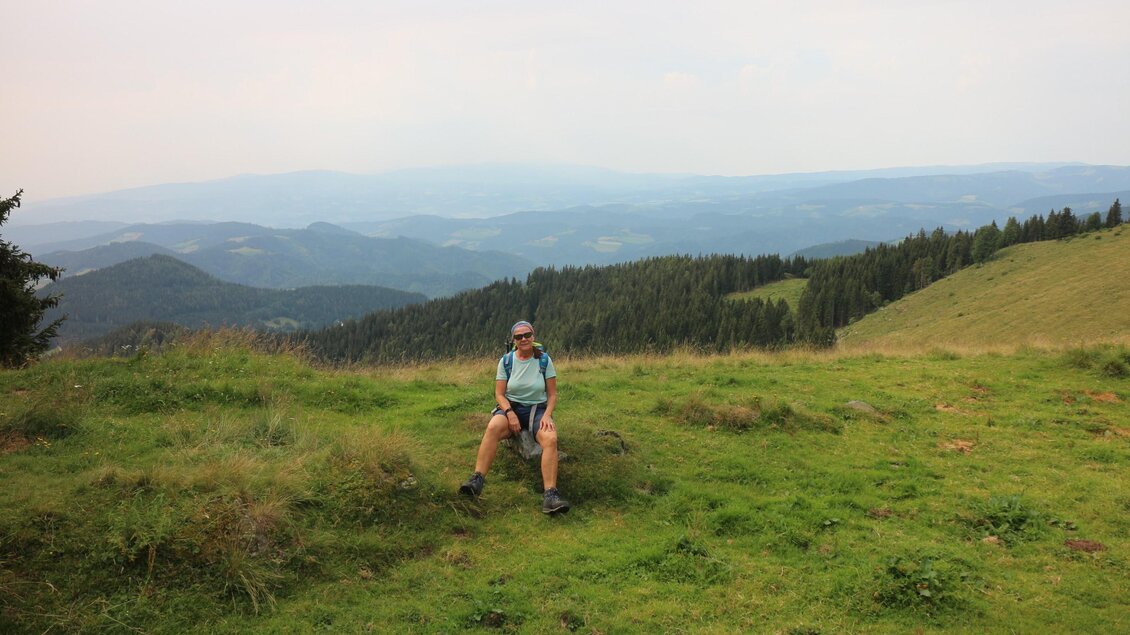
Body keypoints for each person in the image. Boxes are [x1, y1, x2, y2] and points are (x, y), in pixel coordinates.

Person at [460, 320, 570, 514]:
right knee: (493, 427)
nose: (524, 339)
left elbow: (552, 395)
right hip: (511, 408)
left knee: (551, 439)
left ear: (533, 336)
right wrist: (510, 413)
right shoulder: (506, 361)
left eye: (527, 335)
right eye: (519, 336)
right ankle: (477, 480)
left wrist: (547, 415)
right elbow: (499, 394)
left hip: (537, 410)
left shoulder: (544, 360)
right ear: (514, 340)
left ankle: (551, 495)